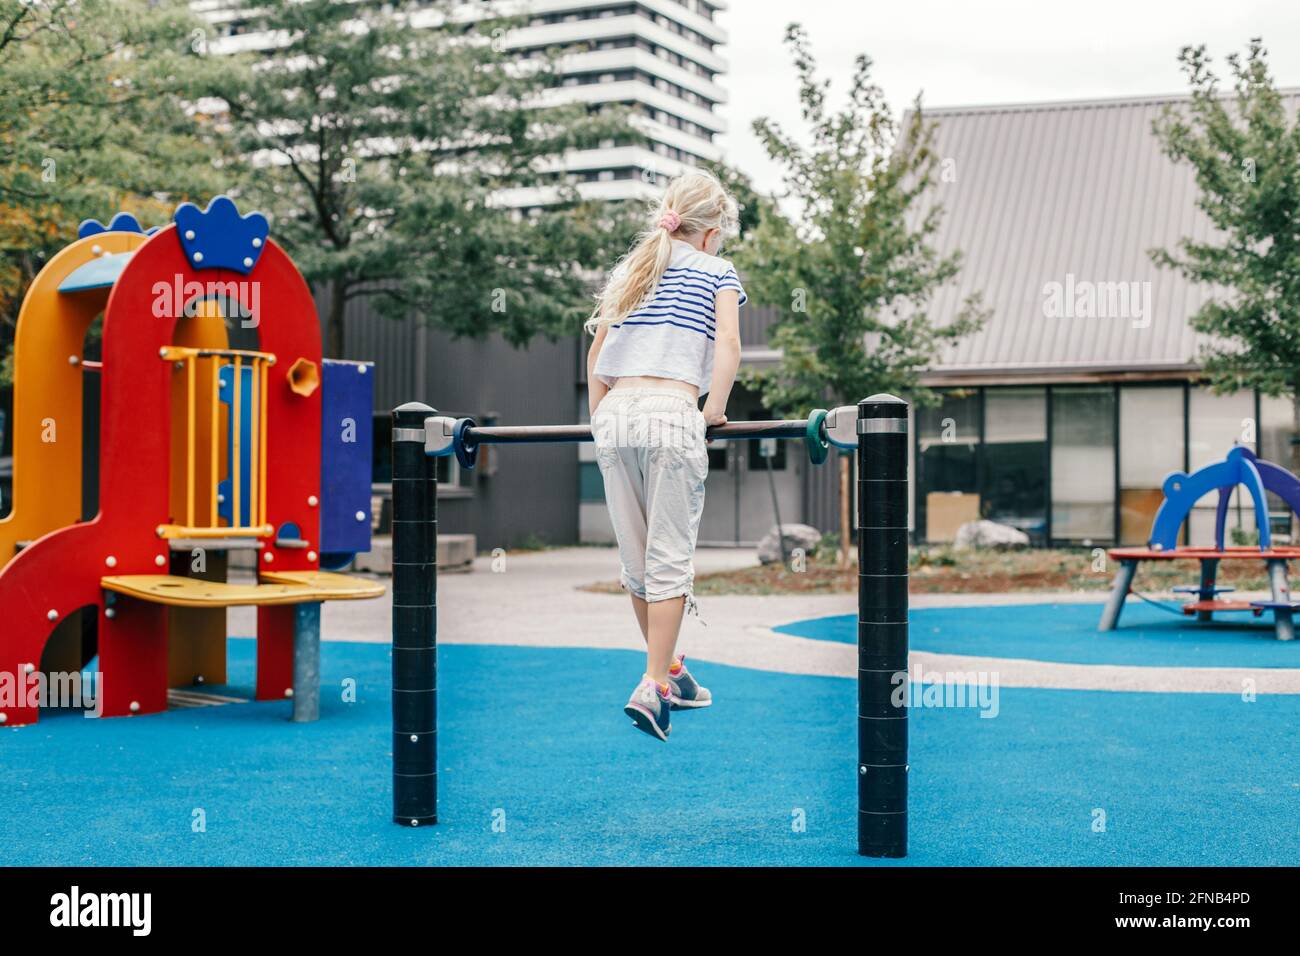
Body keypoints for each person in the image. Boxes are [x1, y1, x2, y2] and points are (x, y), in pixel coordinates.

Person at [585, 169, 746, 741]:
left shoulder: (635, 268)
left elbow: (597, 353)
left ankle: (669, 671)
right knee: (670, 559)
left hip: (616, 414)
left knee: (637, 561)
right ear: (711, 232)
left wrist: (600, 418)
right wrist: (713, 409)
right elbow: (728, 344)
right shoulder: (717, 271)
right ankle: (653, 686)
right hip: (670, 412)